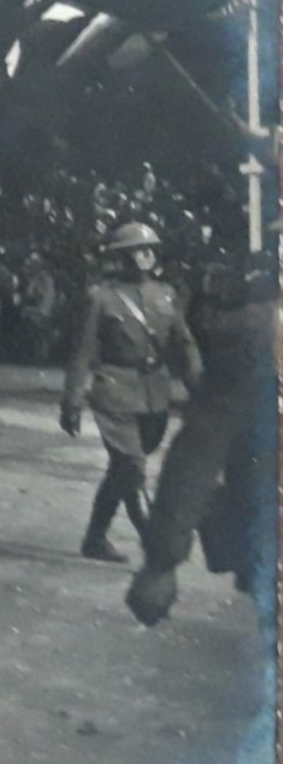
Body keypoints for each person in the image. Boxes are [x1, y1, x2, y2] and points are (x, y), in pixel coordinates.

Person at [126, 249, 276, 623]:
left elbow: (195, 461)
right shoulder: (260, 337)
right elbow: (198, 459)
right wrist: (162, 561)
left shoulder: (255, 331)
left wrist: (162, 561)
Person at [61, 222, 202, 563]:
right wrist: (72, 400)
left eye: (150, 249)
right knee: (132, 467)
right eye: (138, 250)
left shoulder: (167, 295)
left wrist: (202, 393)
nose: (146, 255)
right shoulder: (103, 298)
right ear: (123, 257)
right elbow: (83, 352)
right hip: (115, 391)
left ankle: (94, 538)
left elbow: (184, 346)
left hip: (154, 394)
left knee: (123, 471)